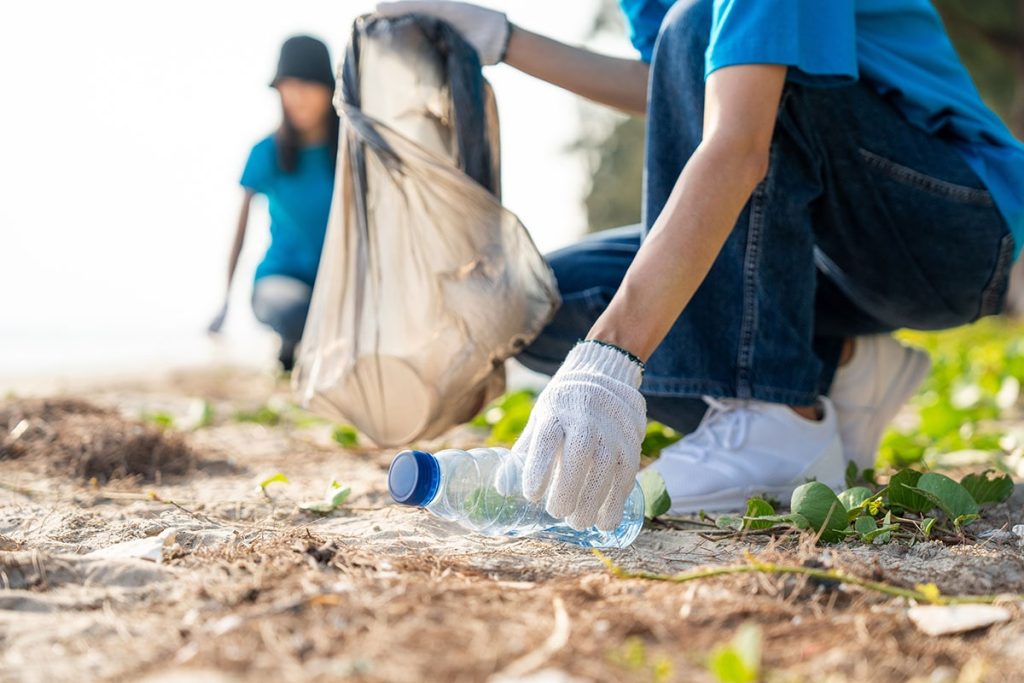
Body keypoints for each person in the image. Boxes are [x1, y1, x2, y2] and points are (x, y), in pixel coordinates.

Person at [375, 1, 1024, 531]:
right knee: (538, 304)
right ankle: (843, 369)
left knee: (711, 35)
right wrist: (503, 39)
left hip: (947, 230)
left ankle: (774, 415)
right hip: (819, 239)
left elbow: (740, 137)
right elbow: (671, 79)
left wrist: (611, 355)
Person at [211, 35, 339, 371]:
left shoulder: (352, 152)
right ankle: (292, 345)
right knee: (294, 310)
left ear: (328, 89)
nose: (297, 97)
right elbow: (240, 230)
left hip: (341, 278)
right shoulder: (265, 152)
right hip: (283, 278)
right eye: (288, 86)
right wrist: (225, 302)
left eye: (307, 85)